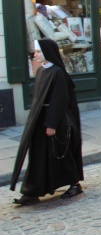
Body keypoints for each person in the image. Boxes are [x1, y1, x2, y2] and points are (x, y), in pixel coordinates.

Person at [10, 39, 84, 205]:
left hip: (55, 122)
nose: (34, 55)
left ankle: (74, 184)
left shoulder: (58, 73)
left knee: (60, 154)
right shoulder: (42, 71)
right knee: (38, 155)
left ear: (47, 53)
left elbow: (59, 100)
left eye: (37, 52)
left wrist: (51, 123)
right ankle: (33, 191)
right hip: (40, 119)